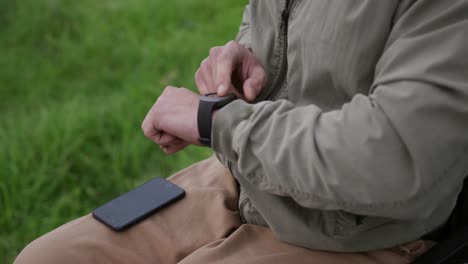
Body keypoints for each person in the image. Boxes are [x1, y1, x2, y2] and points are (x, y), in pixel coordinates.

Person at [15, 0, 468, 263]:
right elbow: (274, 23)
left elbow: (395, 156)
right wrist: (246, 56)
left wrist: (217, 122)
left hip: (361, 229)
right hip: (247, 175)